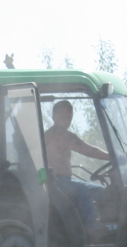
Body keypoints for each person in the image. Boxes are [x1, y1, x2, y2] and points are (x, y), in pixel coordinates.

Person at [43, 100, 110, 235]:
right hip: (54, 181)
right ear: (53, 117)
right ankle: (92, 230)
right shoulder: (55, 135)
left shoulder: (67, 134)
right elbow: (87, 150)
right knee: (83, 191)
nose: (66, 120)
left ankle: (107, 225)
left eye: (68, 117)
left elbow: (86, 146)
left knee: (101, 191)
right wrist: (112, 157)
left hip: (67, 180)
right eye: (62, 116)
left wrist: (112, 156)